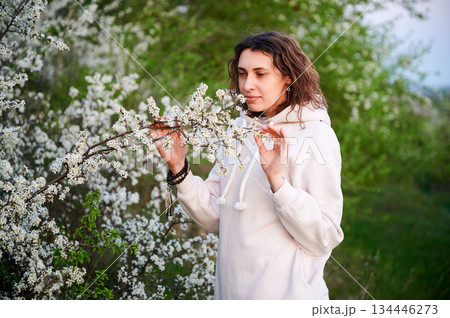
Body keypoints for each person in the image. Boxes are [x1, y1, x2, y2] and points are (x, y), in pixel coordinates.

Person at [153, 31, 344, 300]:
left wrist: (277, 181)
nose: (247, 85)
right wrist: (179, 166)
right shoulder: (238, 129)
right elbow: (213, 217)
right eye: (242, 73)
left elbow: (323, 237)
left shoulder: (316, 135)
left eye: (260, 74)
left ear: (289, 76)